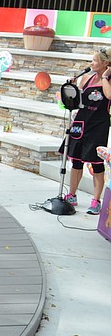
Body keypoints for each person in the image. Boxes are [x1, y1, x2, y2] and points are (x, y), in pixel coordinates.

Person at [62, 48, 111, 214]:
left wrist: (105, 77)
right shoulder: (86, 79)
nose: (92, 64)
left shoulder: (108, 80)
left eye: (95, 61)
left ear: (105, 64)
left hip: (98, 125)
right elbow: (76, 100)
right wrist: (72, 87)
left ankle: (96, 201)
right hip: (81, 122)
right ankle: (71, 195)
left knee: (96, 163)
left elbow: (109, 96)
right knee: (76, 160)